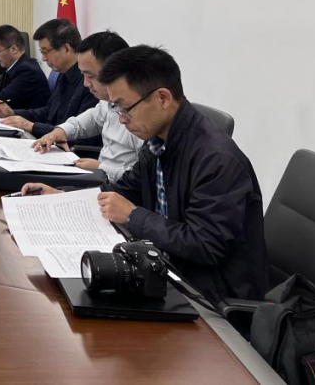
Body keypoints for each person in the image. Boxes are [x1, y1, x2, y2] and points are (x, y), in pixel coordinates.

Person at [22, 46, 270, 304]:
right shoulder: (158, 141)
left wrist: (133, 215)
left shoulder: (217, 159)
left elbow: (204, 246)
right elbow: (123, 191)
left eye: (124, 107)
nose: (121, 120)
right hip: (165, 268)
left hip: (209, 296)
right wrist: (63, 197)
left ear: (162, 98)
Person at [31, 31, 143, 181]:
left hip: (118, 186)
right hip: (101, 179)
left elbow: (142, 179)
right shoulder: (106, 102)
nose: (85, 83)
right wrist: (60, 131)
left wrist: (101, 167)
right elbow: (91, 119)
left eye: (90, 76)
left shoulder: (141, 115)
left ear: (116, 72)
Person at [0, 18, 97, 140]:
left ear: (66, 49)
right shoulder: (63, 74)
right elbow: (49, 112)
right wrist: (13, 113)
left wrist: (32, 126)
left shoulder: (90, 83)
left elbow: (80, 135)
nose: (43, 58)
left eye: (45, 51)